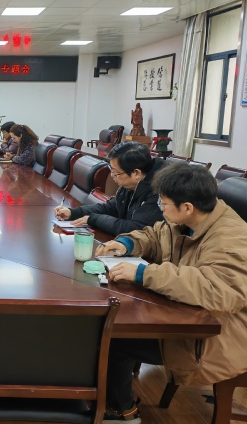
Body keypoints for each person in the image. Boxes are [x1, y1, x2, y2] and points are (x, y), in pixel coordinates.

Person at [96, 164, 247, 423]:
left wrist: (145, 274)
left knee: (114, 338)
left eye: (163, 203)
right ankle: (108, 396)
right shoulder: (190, 219)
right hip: (188, 316)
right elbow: (156, 236)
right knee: (113, 327)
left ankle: (123, 412)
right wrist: (127, 243)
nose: (160, 208)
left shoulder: (231, 238)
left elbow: (218, 290)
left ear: (187, 207)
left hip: (217, 335)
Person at [54, 142, 166, 235]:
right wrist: (73, 212)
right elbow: (111, 208)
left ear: (136, 173)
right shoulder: (130, 184)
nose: (112, 175)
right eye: (111, 169)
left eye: (116, 172)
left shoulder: (160, 192)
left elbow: (135, 229)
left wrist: (94, 219)